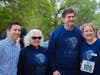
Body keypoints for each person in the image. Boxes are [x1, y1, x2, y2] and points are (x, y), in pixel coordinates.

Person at [48, 8, 83, 75]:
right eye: (69, 17)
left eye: (73, 17)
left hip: (76, 71)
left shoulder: (80, 33)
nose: (71, 19)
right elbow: (50, 53)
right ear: (63, 19)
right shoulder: (56, 33)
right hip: (60, 71)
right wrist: (54, 69)